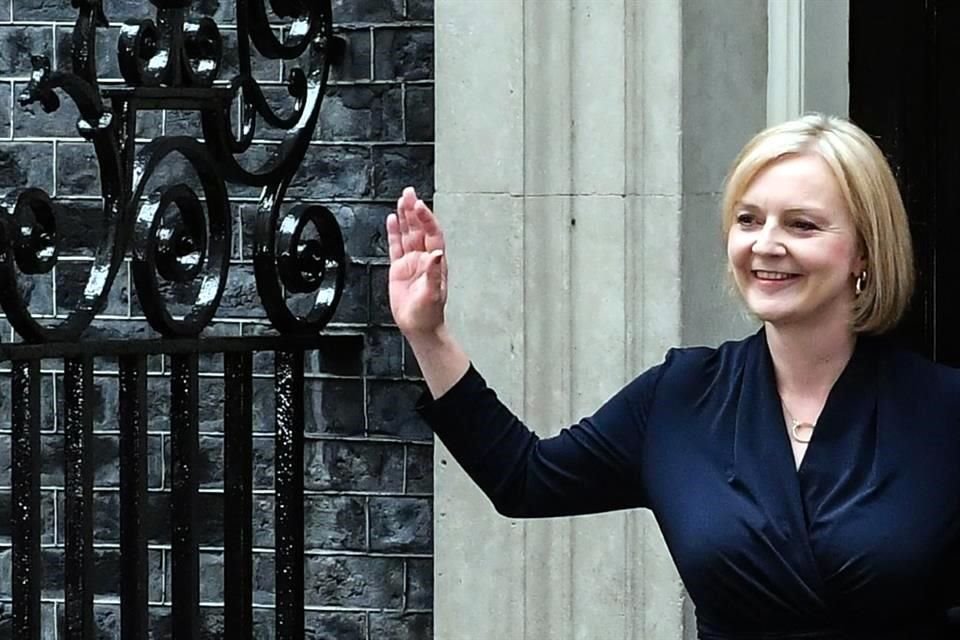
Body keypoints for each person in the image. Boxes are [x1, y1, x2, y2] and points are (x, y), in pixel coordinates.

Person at [385, 113, 960, 639]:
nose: (766, 244)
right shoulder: (681, 395)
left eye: (803, 225)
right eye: (748, 219)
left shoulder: (943, 410)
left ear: (863, 251)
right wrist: (428, 334)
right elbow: (524, 479)